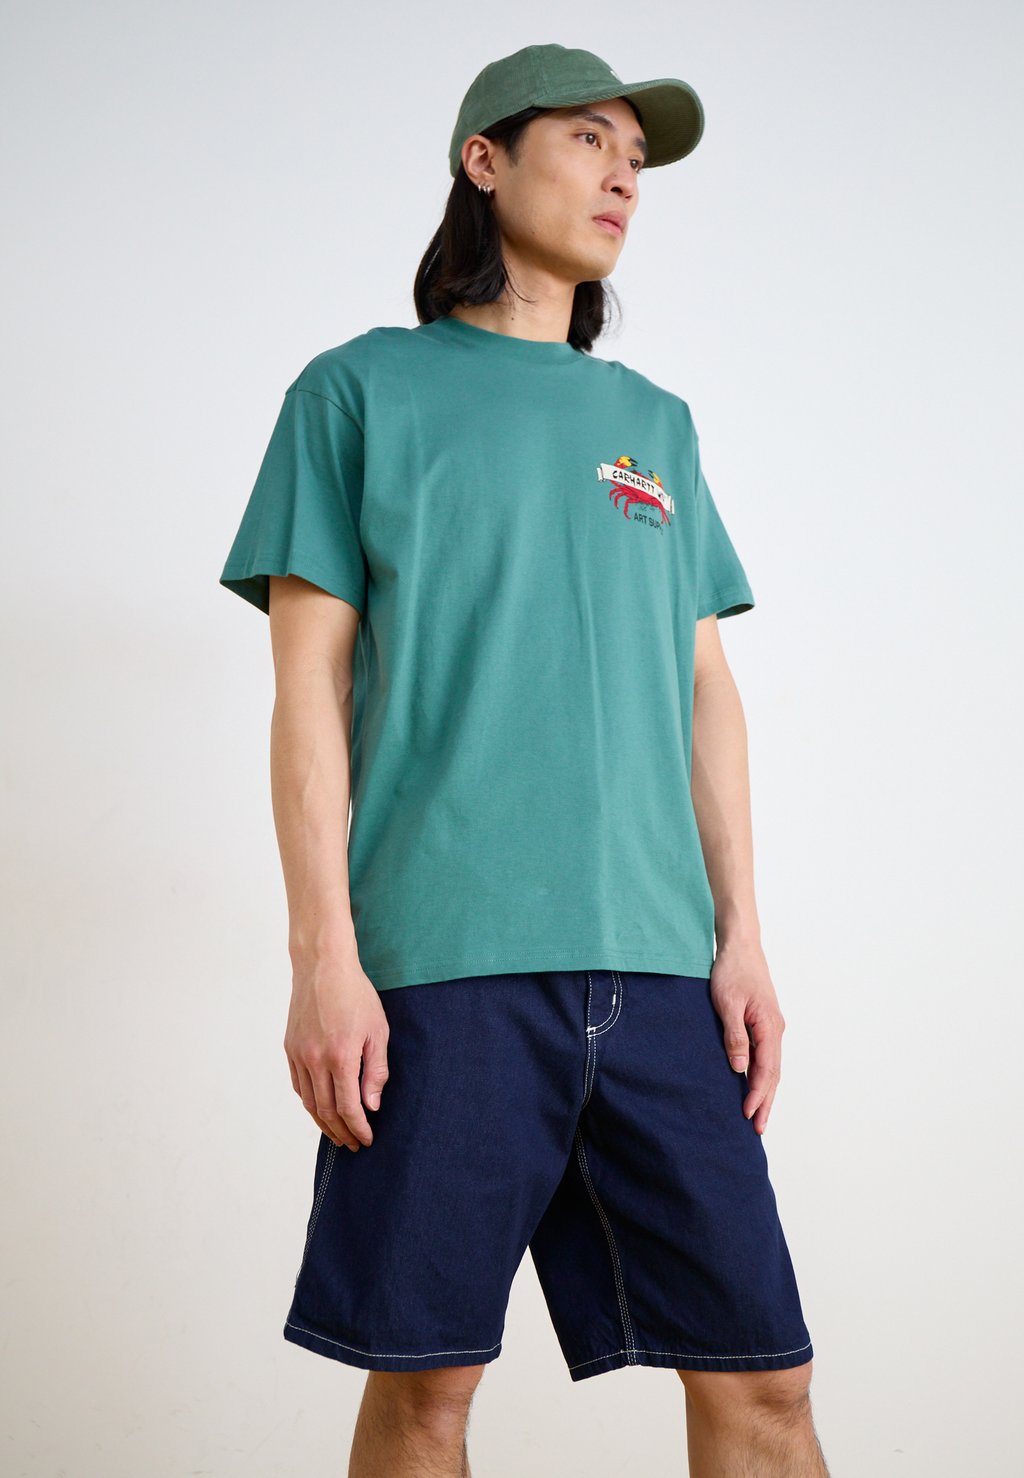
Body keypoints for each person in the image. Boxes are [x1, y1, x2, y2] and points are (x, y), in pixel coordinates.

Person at [219, 41, 829, 1478]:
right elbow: (305, 690)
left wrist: (742, 938)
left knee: (768, 1384)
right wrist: (324, 959)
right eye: (588, 140)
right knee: (427, 1390)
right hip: (443, 975)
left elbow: (705, 689)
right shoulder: (357, 392)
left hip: (662, 972)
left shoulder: (654, 425)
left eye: (638, 157)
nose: (624, 177)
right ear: (484, 161)